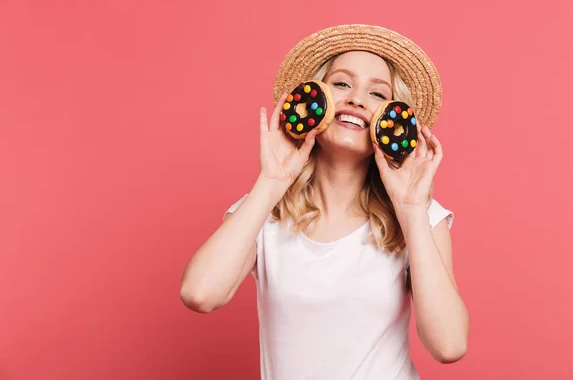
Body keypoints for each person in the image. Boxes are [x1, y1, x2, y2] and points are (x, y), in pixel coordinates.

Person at [180, 24, 469, 380]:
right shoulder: (264, 212)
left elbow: (449, 345)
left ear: (393, 121)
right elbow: (200, 293)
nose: (357, 100)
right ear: (313, 100)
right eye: (342, 84)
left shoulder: (420, 217)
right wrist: (272, 181)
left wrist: (411, 211)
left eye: (378, 94)